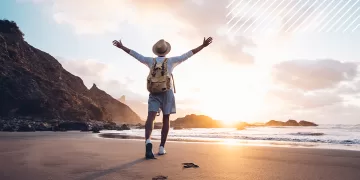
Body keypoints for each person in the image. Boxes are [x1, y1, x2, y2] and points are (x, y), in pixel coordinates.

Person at [112, 37, 213, 159]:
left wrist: (122, 47)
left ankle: (148, 141)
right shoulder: (171, 61)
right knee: (166, 118)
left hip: (154, 92)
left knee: (151, 117)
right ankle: (161, 148)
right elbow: (188, 54)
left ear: (156, 51)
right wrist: (202, 46)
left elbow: (136, 55)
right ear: (166, 51)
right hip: (167, 92)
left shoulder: (150, 61)